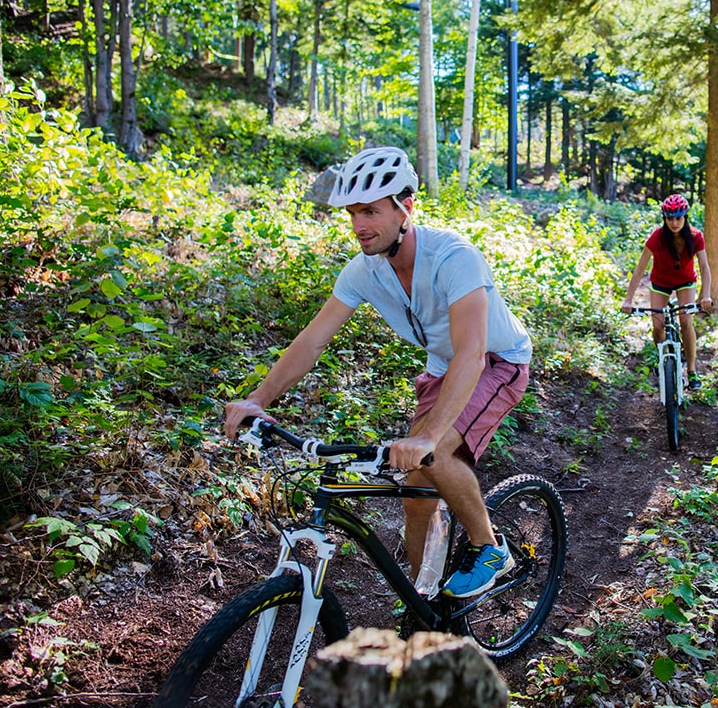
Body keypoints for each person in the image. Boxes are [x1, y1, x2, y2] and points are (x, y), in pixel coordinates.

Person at [223, 146, 532, 599]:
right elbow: (312, 340)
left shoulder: (454, 258)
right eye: (352, 213)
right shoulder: (365, 271)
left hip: (496, 360)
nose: (359, 226)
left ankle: (489, 547)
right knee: (414, 494)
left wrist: (428, 438)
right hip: (444, 368)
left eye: (370, 211)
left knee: (438, 452)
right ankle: (425, 602)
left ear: (405, 208)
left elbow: (472, 352)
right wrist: (258, 400)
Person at [620, 194, 713, 389]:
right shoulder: (657, 238)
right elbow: (639, 270)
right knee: (658, 325)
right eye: (670, 218)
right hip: (660, 283)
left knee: (686, 321)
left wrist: (705, 295)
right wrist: (628, 300)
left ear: (685, 217)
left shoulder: (696, 237)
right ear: (664, 218)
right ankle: (662, 357)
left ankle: (692, 371)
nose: (674, 222)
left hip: (685, 282)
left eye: (678, 218)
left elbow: (704, 267)